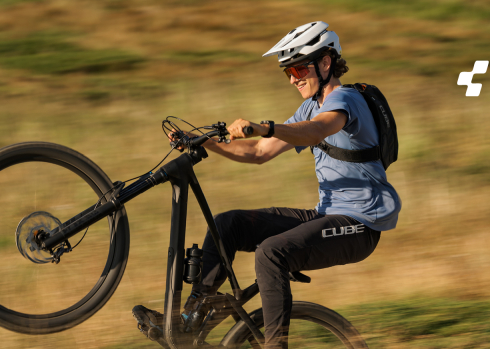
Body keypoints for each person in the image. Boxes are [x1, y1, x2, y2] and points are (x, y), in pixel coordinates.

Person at [133, 21, 401, 349]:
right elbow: (258, 152)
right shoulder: (310, 105)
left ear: (326, 62)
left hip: (360, 225)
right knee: (227, 225)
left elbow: (315, 131)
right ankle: (190, 318)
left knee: (270, 254)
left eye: (299, 68)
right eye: (287, 72)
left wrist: (265, 126)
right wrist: (200, 142)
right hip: (327, 215)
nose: (293, 78)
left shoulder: (346, 100)